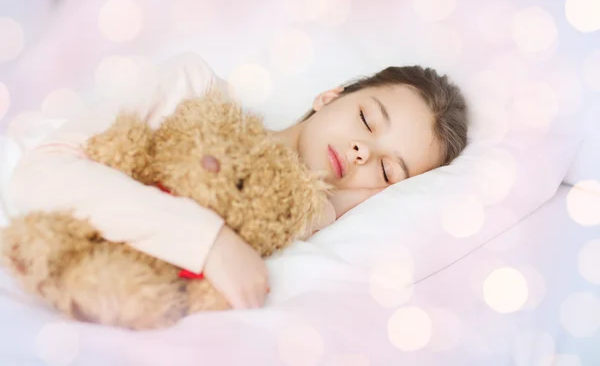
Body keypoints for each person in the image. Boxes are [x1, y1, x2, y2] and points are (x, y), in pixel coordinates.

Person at [6, 52, 468, 311]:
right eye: (367, 120)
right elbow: (43, 171)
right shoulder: (193, 89)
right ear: (330, 97)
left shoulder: (303, 228)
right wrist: (210, 243)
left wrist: (339, 203)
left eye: (387, 170)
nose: (363, 152)